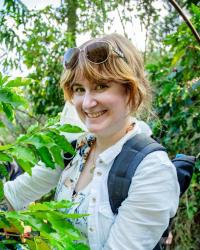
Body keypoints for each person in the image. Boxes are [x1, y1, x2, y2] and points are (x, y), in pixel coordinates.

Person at [1, 33, 179, 249]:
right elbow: (14, 196)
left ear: (130, 90)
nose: (86, 103)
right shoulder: (75, 148)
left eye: (101, 86)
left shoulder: (152, 171)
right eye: (79, 89)